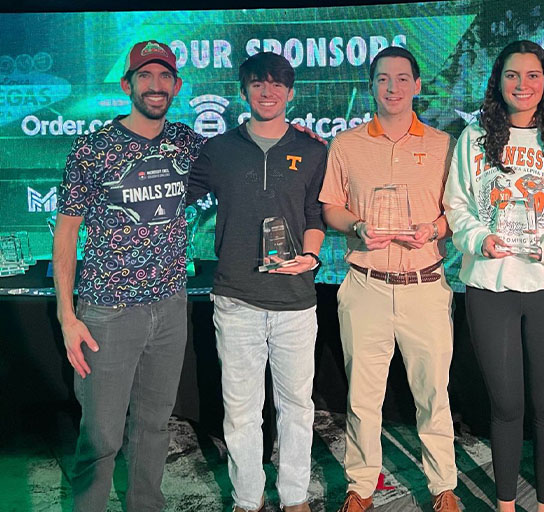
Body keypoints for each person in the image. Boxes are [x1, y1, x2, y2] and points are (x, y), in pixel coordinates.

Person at [443, 40, 544, 512]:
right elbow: (457, 205)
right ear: (499, 81)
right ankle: (507, 503)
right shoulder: (473, 139)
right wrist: (478, 239)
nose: (523, 85)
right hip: (490, 287)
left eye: (533, 75)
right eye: (512, 75)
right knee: (506, 405)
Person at [53, 40, 205, 511]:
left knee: (154, 426)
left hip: (170, 306)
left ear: (176, 86)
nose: (155, 86)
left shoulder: (188, 143)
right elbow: (66, 235)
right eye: (145, 76)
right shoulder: (93, 148)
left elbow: (244, 157)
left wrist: (296, 135)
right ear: (128, 85)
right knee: (100, 434)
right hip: (107, 313)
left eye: (164, 77)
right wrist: (67, 316)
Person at [319, 46, 460, 512]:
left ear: (417, 85)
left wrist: (434, 229)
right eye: (383, 79)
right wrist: (357, 225)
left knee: (433, 395)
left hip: (425, 285)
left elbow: (456, 213)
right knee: (362, 396)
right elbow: (330, 207)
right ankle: (360, 486)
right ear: (372, 85)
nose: (393, 88)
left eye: (402, 79)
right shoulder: (347, 144)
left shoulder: (443, 145)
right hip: (366, 285)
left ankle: (443, 486)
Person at [186, 52, 327, 512]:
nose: (267, 92)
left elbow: (313, 214)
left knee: (297, 408)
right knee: (242, 411)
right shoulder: (219, 149)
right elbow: (177, 195)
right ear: (243, 91)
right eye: (257, 84)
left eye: (276, 84)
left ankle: (294, 498)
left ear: (290, 92)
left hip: (295, 301)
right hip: (236, 299)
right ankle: (248, 500)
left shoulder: (312, 150)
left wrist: (309, 256)